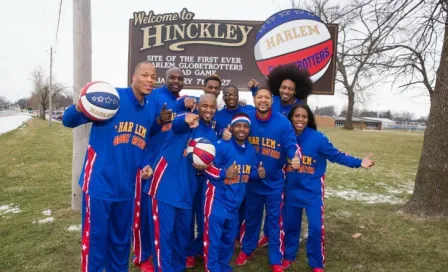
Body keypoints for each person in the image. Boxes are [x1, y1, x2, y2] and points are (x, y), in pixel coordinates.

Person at [62, 61, 157, 272]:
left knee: (121, 243)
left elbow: (143, 146)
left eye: (153, 76)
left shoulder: (149, 111)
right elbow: (68, 121)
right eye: (144, 75)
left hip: (127, 188)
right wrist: (79, 106)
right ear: (133, 77)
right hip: (99, 183)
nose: (149, 80)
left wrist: (146, 165)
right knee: (95, 240)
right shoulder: (113, 98)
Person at [282, 103, 376, 271]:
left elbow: (336, 155)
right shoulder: (285, 138)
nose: (300, 119)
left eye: (304, 116)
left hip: (312, 193)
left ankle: (316, 262)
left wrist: (359, 162)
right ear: (291, 118)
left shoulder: (318, 138)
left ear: (308, 119)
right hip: (291, 192)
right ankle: (289, 255)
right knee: (290, 226)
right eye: (297, 116)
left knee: (316, 228)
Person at [143, 94, 218, 271]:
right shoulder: (184, 119)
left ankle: (177, 268)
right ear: (197, 106)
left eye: (212, 107)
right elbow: (177, 123)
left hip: (187, 190)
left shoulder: (211, 133)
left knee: (181, 235)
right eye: (204, 105)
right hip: (164, 187)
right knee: (164, 236)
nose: (208, 109)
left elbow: (208, 161)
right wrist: (186, 118)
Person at [234, 87, 301, 272]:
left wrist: (295, 156)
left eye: (266, 97)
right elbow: (233, 130)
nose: (263, 100)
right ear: (254, 99)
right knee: (251, 217)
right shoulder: (247, 117)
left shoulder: (282, 122)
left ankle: (276, 259)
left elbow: (291, 144)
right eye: (259, 97)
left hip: (274, 182)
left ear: (272, 100)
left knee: (274, 221)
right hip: (253, 181)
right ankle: (247, 249)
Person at [248, 63, 313, 248]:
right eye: (284, 87)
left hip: (290, 156)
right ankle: (264, 237)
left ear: (295, 91)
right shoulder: (272, 100)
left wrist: (296, 154)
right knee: (260, 201)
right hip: (271, 154)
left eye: (290, 89)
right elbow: (260, 104)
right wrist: (254, 90)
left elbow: (303, 126)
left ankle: (273, 234)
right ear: (278, 88)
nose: (286, 91)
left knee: (278, 202)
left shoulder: (300, 106)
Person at [132, 67, 185, 272]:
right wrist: (159, 120)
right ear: (165, 79)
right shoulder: (154, 96)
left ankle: (159, 254)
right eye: (172, 77)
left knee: (158, 218)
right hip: (148, 164)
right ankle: (142, 256)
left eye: (180, 78)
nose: (176, 81)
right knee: (142, 213)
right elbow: (146, 129)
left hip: (167, 169)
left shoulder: (183, 101)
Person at [202, 113, 264, 271]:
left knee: (229, 238)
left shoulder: (250, 150)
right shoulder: (221, 145)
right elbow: (206, 168)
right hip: (217, 200)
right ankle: (212, 267)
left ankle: (223, 265)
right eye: (238, 125)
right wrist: (224, 173)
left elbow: (248, 173)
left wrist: (259, 173)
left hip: (235, 203)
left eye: (245, 126)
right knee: (214, 239)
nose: (242, 129)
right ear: (232, 127)